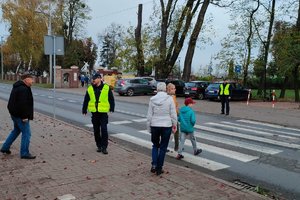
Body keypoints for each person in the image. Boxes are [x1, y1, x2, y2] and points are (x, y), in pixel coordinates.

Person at [1, 73, 36, 159]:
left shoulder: (19, 87)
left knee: (16, 131)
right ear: (26, 79)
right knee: (27, 133)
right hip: (21, 116)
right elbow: (22, 104)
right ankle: (24, 153)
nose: (33, 81)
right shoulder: (23, 89)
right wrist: (24, 116)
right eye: (31, 79)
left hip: (15, 114)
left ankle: (5, 148)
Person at [147, 82, 177, 176]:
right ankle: (159, 169)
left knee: (155, 145)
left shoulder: (152, 100)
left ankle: (154, 165)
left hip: (155, 125)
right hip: (166, 125)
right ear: (165, 89)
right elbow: (173, 114)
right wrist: (174, 125)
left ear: (157, 89)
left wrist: (149, 127)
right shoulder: (170, 99)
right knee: (163, 148)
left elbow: (149, 115)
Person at [82, 73, 115, 154]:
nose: (93, 80)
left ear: (100, 79)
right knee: (96, 130)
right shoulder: (90, 88)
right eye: (93, 78)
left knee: (104, 130)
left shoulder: (106, 88)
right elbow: (86, 99)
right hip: (95, 113)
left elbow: (111, 98)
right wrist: (84, 109)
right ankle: (99, 146)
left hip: (103, 113)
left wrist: (112, 108)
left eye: (95, 78)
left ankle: (104, 147)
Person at [166, 83, 179, 151]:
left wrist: (178, 113)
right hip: (171, 117)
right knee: (169, 133)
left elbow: (176, 106)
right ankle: (164, 146)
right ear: (169, 89)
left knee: (175, 132)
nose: (175, 90)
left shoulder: (173, 96)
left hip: (174, 116)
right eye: (174, 88)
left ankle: (177, 146)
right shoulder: (168, 97)